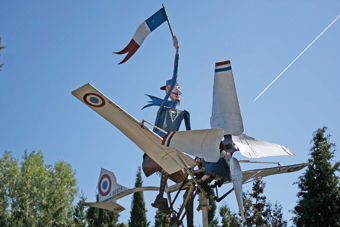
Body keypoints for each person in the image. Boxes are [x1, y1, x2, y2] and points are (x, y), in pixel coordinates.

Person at [142, 37, 191, 213]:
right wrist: (177, 51)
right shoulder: (163, 107)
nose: (178, 90)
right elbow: (175, 74)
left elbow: (189, 137)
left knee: (187, 179)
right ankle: (161, 197)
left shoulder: (183, 114)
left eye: (178, 87)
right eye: (174, 87)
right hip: (156, 149)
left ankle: (174, 200)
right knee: (165, 158)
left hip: (171, 153)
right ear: (169, 90)